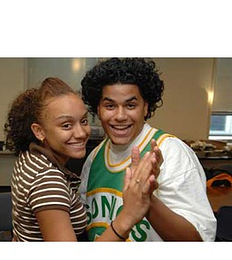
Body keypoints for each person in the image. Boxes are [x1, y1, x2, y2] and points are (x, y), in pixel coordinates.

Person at [4, 77, 161, 241]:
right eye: (66, 125)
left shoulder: (30, 157)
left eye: (84, 121)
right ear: (39, 131)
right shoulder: (48, 181)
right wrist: (127, 217)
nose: (81, 133)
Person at [79, 58, 217, 242]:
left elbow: (198, 240)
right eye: (110, 106)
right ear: (98, 108)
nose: (120, 116)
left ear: (145, 107)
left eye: (130, 105)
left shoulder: (171, 152)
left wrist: (147, 201)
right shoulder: (94, 157)